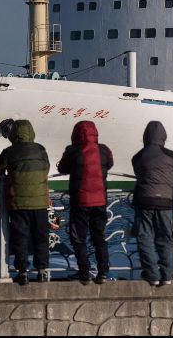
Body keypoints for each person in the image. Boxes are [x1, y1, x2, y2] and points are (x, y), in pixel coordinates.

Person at [57, 121, 114, 285]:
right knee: (99, 236)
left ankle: (84, 272)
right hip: (101, 201)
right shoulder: (104, 150)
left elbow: (62, 168)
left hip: (80, 201)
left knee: (78, 237)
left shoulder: (73, 151)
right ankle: (103, 271)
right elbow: (110, 164)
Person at [0, 120, 51, 286]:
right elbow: (47, 168)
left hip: (18, 203)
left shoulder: (9, 151)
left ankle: (22, 272)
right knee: (41, 237)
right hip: (40, 202)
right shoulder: (40, 149)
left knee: (20, 238)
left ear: (13, 134)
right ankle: (42, 271)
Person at [132, 121, 173, 286]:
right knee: (165, 238)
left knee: (144, 237)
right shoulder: (172, 155)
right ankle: (167, 275)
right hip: (165, 201)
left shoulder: (138, 156)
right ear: (163, 136)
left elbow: (138, 173)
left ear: (145, 136)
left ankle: (152, 274)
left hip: (144, 200)